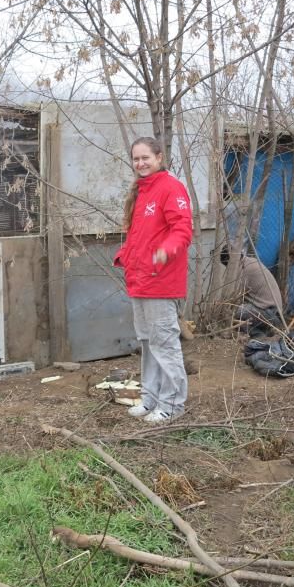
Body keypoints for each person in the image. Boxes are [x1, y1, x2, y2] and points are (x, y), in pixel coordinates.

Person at [113, 136, 193, 424]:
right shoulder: (142, 191)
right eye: (136, 158)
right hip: (140, 280)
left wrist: (165, 251)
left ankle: (172, 404)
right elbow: (139, 235)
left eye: (145, 157)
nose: (140, 163)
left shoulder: (171, 188)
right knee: (148, 342)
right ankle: (151, 399)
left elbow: (182, 229)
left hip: (161, 281)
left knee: (164, 343)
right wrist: (125, 254)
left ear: (159, 157)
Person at [220, 247, 286, 335]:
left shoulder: (244, 269)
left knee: (234, 312)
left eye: (227, 265)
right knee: (238, 313)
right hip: (273, 312)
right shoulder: (249, 261)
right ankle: (265, 332)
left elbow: (234, 298)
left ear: (230, 262)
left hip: (270, 313)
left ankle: (258, 334)